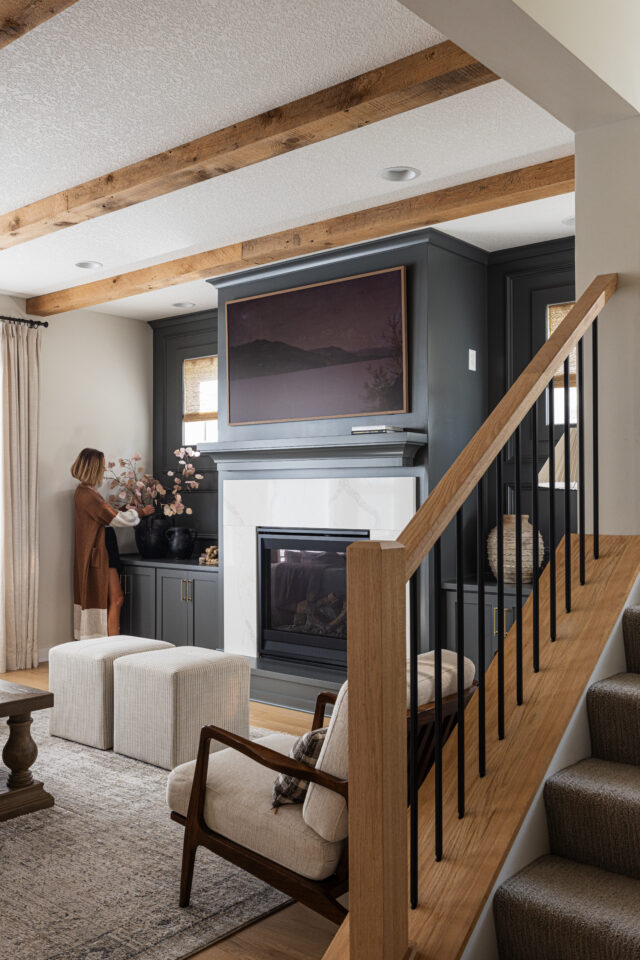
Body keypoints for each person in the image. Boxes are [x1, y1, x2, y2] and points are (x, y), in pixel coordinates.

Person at [71, 447, 154, 640]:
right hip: (102, 551)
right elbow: (115, 520)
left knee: (115, 599)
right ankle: (112, 646)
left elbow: (106, 515)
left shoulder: (86, 492)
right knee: (116, 598)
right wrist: (140, 513)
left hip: (105, 548)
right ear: (92, 468)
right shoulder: (88, 495)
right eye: (101, 466)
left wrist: (125, 508)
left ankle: (110, 644)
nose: (103, 470)